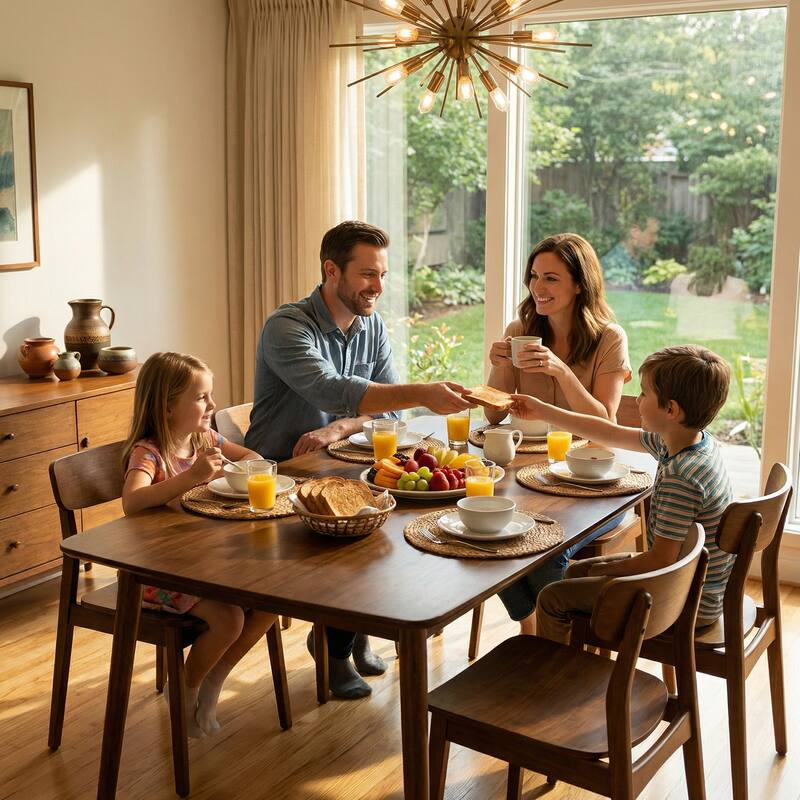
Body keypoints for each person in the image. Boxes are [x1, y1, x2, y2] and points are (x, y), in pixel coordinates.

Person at [245, 220, 474, 699]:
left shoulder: (371, 326)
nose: (378, 287)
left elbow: (385, 411)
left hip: (339, 461)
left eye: (383, 275)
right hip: (282, 472)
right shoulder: (287, 326)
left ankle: (351, 631)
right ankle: (330, 646)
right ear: (332, 270)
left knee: (390, 517)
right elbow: (332, 389)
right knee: (354, 534)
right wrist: (424, 393)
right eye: (368, 274)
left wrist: (341, 426)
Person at [509, 344, 733, 644]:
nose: (637, 401)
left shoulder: (683, 477)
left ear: (671, 409)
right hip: (688, 585)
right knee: (573, 575)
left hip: (680, 599)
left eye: (644, 394)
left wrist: (611, 568)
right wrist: (541, 410)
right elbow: (608, 432)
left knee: (553, 597)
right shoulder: (687, 442)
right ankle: (570, 659)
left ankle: (557, 671)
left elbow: (660, 559)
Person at [122, 352, 278, 737]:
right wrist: (191, 476)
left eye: (210, 396)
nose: (211, 406)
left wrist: (241, 469)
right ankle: (186, 688)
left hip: (205, 566)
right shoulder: (149, 452)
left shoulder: (205, 439)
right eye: (201, 398)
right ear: (167, 405)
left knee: (272, 601)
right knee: (230, 619)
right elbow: (132, 501)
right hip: (157, 575)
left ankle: (214, 679)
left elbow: (255, 458)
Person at [485, 233, 631, 634]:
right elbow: (493, 415)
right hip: (528, 479)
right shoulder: (521, 328)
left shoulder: (609, 338)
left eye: (551, 278)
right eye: (534, 276)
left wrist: (561, 371)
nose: (538, 288)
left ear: (579, 283)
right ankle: (534, 631)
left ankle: (556, 641)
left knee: (544, 547)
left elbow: (607, 426)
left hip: (591, 486)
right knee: (493, 532)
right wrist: (499, 365)